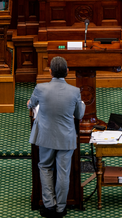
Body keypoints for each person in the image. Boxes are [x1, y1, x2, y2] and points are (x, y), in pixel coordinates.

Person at [27, 56, 85, 218]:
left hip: (45, 137)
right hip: (66, 138)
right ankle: (61, 208)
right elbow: (79, 114)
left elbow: (31, 104)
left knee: (45, 167)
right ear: (67, 72)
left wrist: (29, 103)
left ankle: (49, 205)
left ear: (50, 71)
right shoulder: (75, 91)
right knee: (63, 172)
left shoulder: (40, 88)